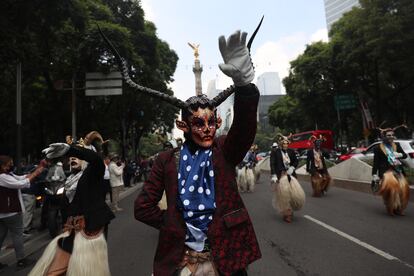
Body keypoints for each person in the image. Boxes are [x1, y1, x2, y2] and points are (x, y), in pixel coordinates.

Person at [101, 23, 264, 275]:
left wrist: (243, 86)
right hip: (182, 259)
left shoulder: (224, 149)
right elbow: (143, 207)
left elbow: (243, 131)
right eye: (198, 123)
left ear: (218, 122)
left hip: (227, 258)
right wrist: (174, 224)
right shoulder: (166, 160)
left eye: (211, 122)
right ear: (182, 125)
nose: (207, 129)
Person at [30, 131, 115, 276]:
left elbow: (95, 160)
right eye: (71, 157)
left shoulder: (93, 172)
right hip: (71, 231)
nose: (73, 158)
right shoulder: (70, 179)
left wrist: (70, 149)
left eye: (78, 156)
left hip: (90, 229)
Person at [0, 155, 46, 271]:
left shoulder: (7, 175)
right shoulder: (2, 177)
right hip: (11, 212)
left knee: (1, 236)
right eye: (8, 164)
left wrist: (37, 169)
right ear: (2, 166)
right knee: (17, 235)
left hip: (4, 213)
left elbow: (22, 178)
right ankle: (21, 260)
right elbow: (20, 184)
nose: (11, 165)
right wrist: (37, 172)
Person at [372, 128, 409, 215]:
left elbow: (405, 155)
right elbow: (376, 162)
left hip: (397, 169)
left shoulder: (397, 145)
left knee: (402, 189)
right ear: (384, 136)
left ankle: (399, 208)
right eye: (389, 135)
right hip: (386, 171)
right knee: (392, 188)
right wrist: (374, 174)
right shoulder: (378, 148)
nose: (391, 137)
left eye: (392, 135)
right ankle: (390, 207)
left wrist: (400, 154)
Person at [270, 134, 305, 223]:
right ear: (281, 144)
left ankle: (291, 210)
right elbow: (272, 164)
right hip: (281, 176)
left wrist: (292, 167)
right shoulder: (275, 152)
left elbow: (296, 161)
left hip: (291, 175)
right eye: (284, 144)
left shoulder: (291, 151)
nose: (285, 145)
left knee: (295, 195)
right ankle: (287, 214)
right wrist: (274, 175)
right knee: (285, 196)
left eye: (287, 143)